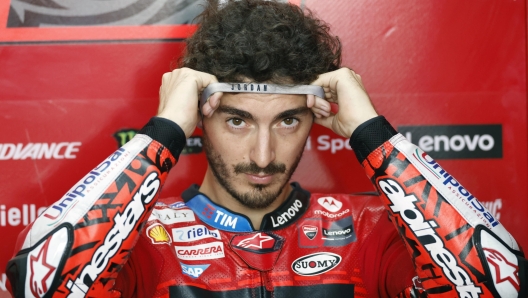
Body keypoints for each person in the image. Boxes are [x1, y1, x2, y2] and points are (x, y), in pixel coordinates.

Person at [6, 0, 526, 297]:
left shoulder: (369, 233)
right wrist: (162, 131)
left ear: (317, 116)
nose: (261, 155)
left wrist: (371, 132)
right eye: (237, 120)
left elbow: (499, 287)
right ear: (201, 118)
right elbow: (36, 285)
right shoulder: (141, 242)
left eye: (287, 120)